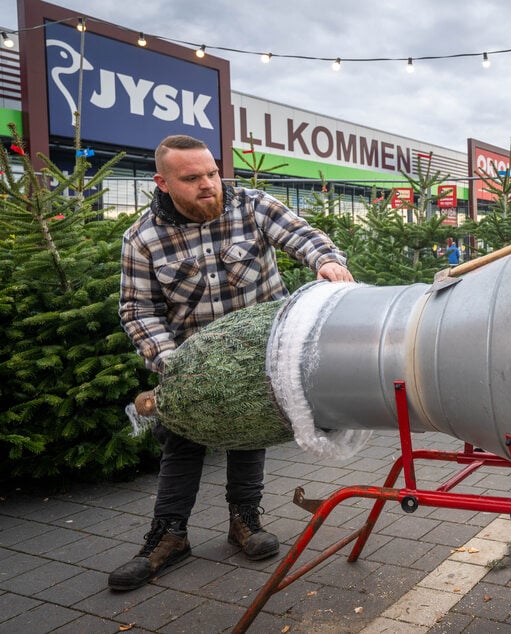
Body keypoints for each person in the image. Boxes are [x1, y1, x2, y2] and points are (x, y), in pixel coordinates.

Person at [110, 134, 354, 591]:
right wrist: (173, 364)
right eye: (192, 178)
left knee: (248, 438)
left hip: (265, 356)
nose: (209, 184)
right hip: (190, 362)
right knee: (181, 445)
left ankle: (245, 522)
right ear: (162, 183)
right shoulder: (142, 239)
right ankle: (168, 536)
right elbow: (137, 310)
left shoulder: (252, 205)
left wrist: (326, 263)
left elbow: (304, 238)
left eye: (212, 173)